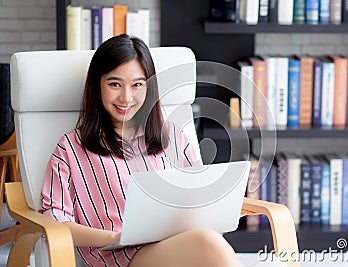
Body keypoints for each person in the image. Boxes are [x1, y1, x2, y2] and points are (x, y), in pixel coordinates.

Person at [40, 34, 244, 267]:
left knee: (209, 241)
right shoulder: (70, 147)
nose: (126, 97)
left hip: (176, 246)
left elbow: (198, 201)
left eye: (137, 85)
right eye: (115, 84)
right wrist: (115, 238)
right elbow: (54, 220)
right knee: (208, 243)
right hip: (119, 258)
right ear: (97, 85)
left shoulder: (172, 137)